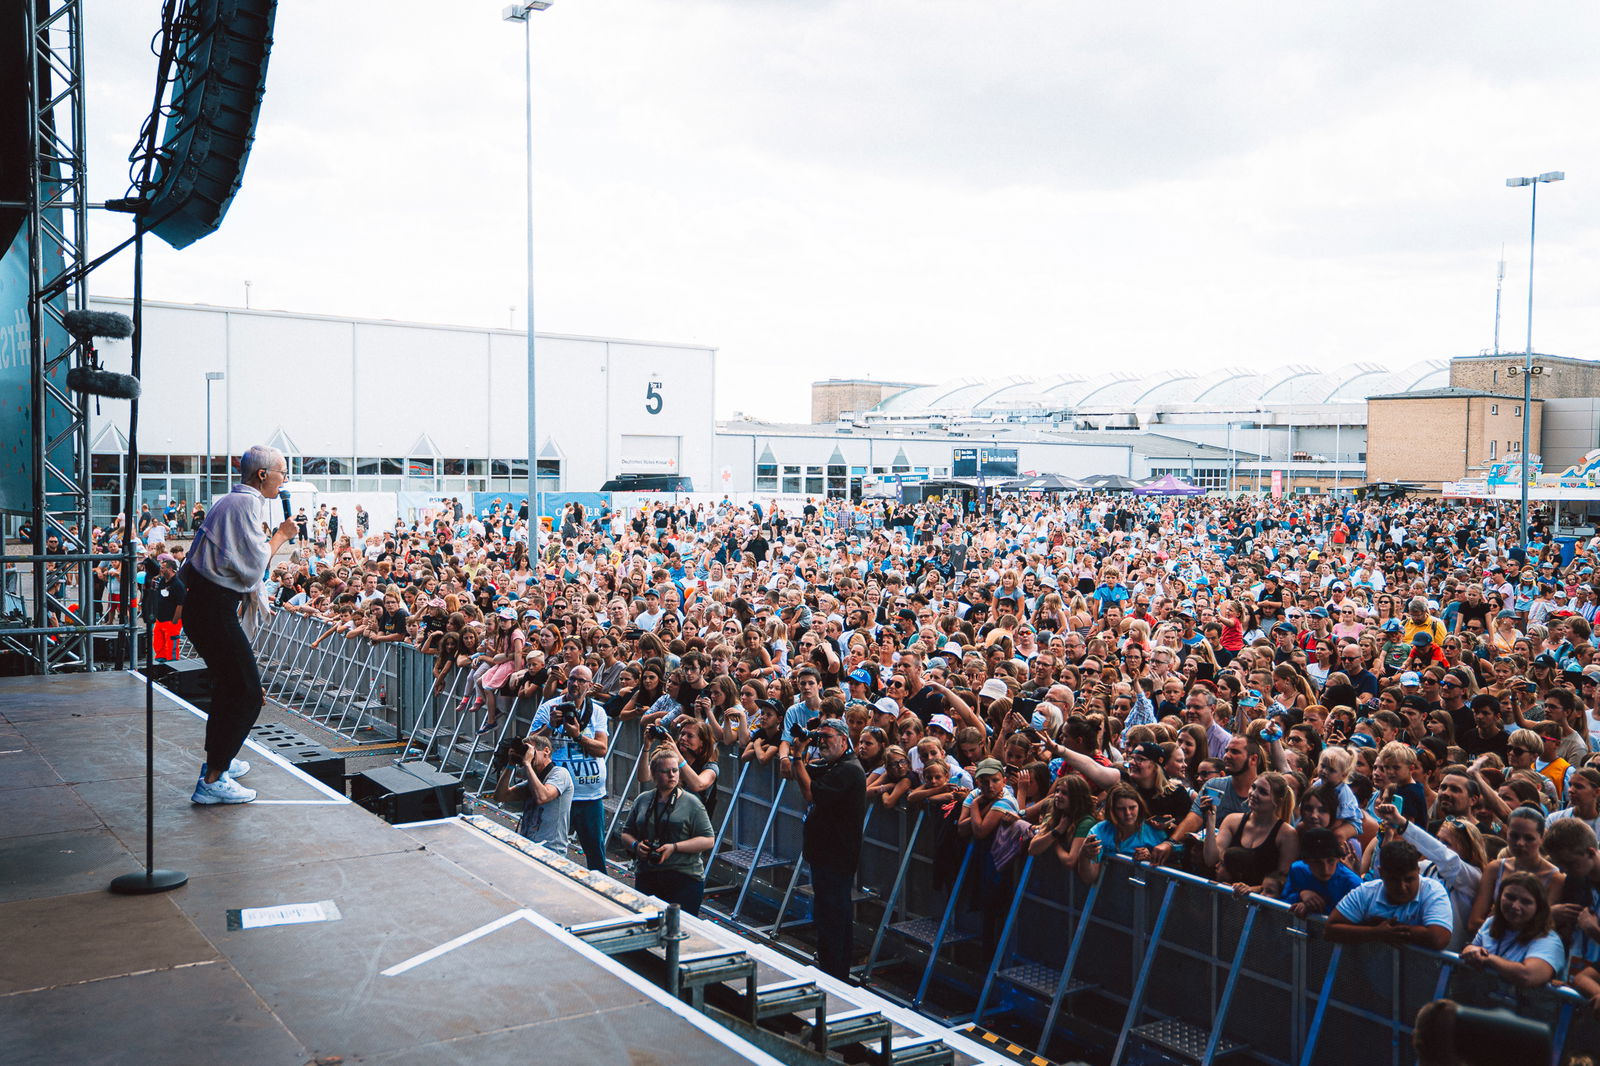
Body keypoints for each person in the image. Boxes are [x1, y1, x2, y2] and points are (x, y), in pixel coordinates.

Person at [179, 445, 297, 805]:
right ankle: (214, 778)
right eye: (282, 473)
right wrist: (281, 535)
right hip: (213, 607)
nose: (284, 480)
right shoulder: (246, 504)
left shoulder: (232, 502)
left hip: (207, 606)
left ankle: (219, 763)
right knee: (246, 692)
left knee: (230, 688)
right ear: (263, 474)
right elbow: (252, 569)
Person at [793, 717, 866, 980]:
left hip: (836, 857)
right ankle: (831, 970)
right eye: (819, 737)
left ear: (844, 740)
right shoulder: (833, 765)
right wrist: (799, 756)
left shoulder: (849, 770)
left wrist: (797, 756)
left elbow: (811, 793)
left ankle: (836, 975)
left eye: (828, 737)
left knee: (834, 919)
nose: (822, 742)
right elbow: (795, 774)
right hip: (825, 855)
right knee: (827, 917)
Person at [529, 665, 610, 870]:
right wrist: (550, 725)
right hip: (556, 792)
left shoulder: (597, 711)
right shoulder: (549, 707)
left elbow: (602, 749)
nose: (575, 684)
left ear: (590, 685)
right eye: (572, 679)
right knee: (549, 850)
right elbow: (530, 743)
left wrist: (577, 736)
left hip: (590, 795)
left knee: (595, 855)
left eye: (581, 680)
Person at [617, 748, 715, 916]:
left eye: (675, 770)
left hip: (684, 877)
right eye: (665, 771)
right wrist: (635, 846)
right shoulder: (643, 800)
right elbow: (626, 833)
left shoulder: (692, 803)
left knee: (679, 930)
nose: (672, 775)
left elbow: (708, 840)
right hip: (648, 874)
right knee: (648, 926)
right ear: (654, 774)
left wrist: (674, 847)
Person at [1326, 839, 1453, 950]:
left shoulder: (1433, 890)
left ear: (1418, 871)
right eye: (1394, 880)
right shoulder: (1366, 892)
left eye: (1409, 879)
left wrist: (1383, 928)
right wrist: (1374, 932)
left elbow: (1439, 938)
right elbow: (1330, 929)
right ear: (1381, 873)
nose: (1402, 887)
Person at [1461, 870, 1567, 987]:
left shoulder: (1549, 940)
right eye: (1510, 897)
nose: (1515, 906)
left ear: (1539, 907)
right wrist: (1470, 949)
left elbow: (1528, 976)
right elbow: (1473, 950)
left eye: (1526, 902)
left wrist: (1489, 959)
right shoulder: (1491, 923)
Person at [491, 733, 574, 849]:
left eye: (530, 751)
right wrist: (510, 764)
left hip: (550, 850)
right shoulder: (533, 780)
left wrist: (527, 764)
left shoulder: (560, 773)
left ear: (546, 751)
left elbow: (542, 797)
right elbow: (500, 796)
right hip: (527, 846)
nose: (527, 756)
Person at [148, 555, 185, 661]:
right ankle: (160, 663)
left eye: (163, 568)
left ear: (169, 569)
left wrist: (175, 621)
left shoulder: (178, 584)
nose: (161, 570)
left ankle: (172, 666)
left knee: (171, 646)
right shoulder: (162, 581)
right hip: (160, 620)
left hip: (171, 621)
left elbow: (180, 604)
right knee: (159, 644)